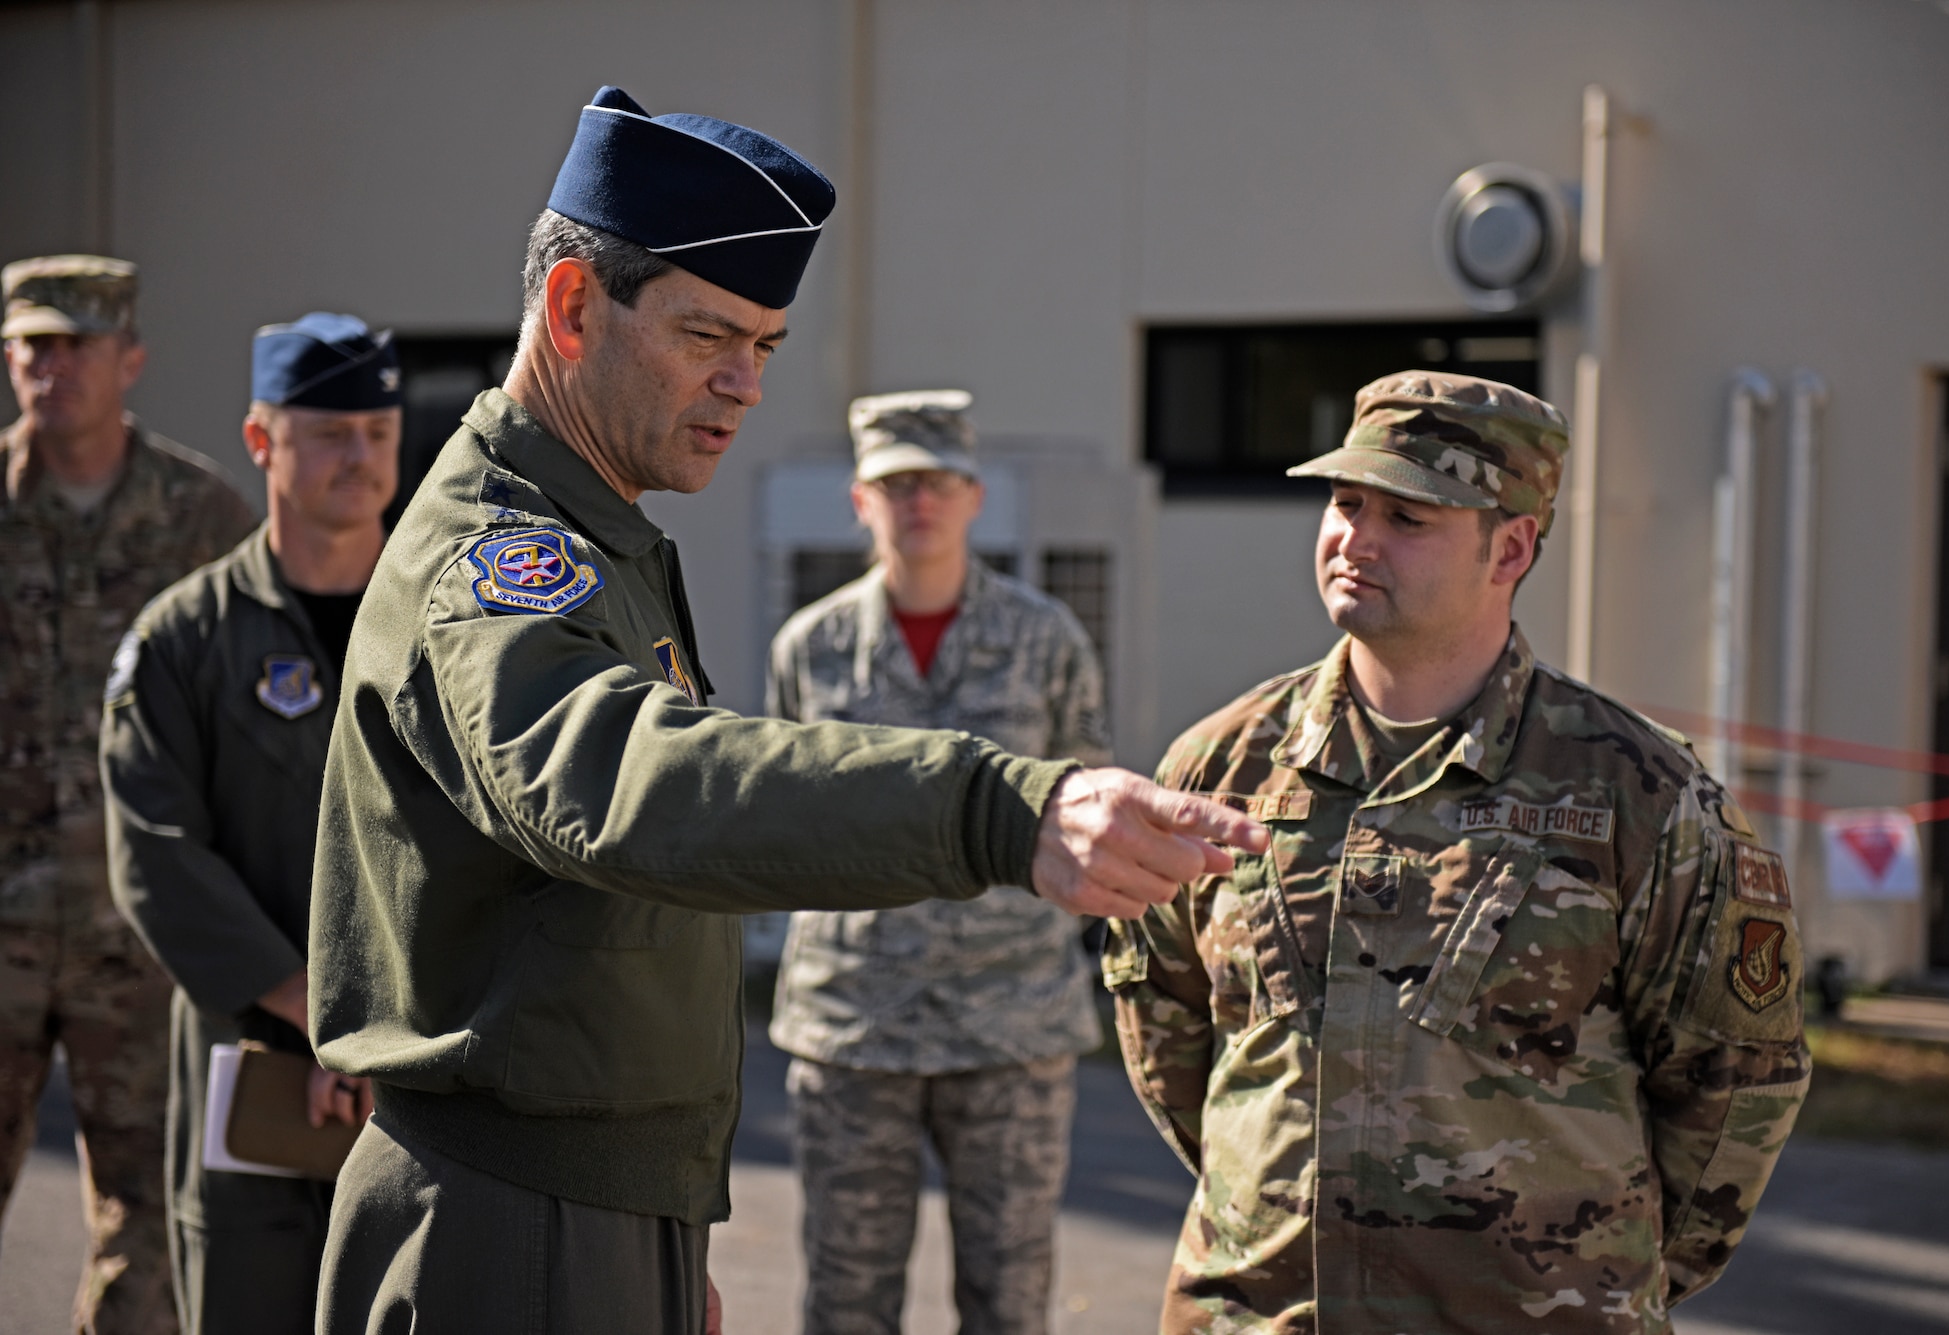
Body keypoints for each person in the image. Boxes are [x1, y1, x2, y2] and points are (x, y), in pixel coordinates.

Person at [308, 86, 1264, 1335]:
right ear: (572, 307)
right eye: (710, 335)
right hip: (515, 1220)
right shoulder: (499, 561)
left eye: (764, 345)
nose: (744, 383)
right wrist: (996, 807)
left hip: (587, 1209)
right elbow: (626, 786)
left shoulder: (599, 536)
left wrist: (659, 1225)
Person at [1104, 371, 1811, 1334]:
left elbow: (1733, 1085)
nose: (1357, 537)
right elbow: (1168, 1026)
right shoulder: (1220, 766)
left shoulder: (1635, 793)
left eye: (1409, 516)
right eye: (1346, 502)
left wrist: (1597, 1276)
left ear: (1510, 547)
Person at [767, 390, 1109, 1335]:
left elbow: (1088, 804)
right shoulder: (813, 648)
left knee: (1008, 1302)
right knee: (847, 1299)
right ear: (860, 502)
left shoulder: (1045, 640)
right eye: (896, 482)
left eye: (938, 482)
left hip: (1011, 1021)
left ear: (973, 496)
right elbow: (787, 823)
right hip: (855, 1022)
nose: (918, 501)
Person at [101, 313, 403, 1334]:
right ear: (262, 441)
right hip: (255, 1077)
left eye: (377, 429)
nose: (359, 456)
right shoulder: (185, 640)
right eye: (329, 432)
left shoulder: (448, 629)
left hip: (419, 1078)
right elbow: (157, 857)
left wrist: (387, 1033)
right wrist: (319, 1017)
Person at [0, 254, 255, 1333]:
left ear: (130, 359)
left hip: (139, 941)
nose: (53, 370)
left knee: (145, 1230)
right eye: (32, 349)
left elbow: (253, 714)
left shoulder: (201, 519)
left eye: (78, 347)